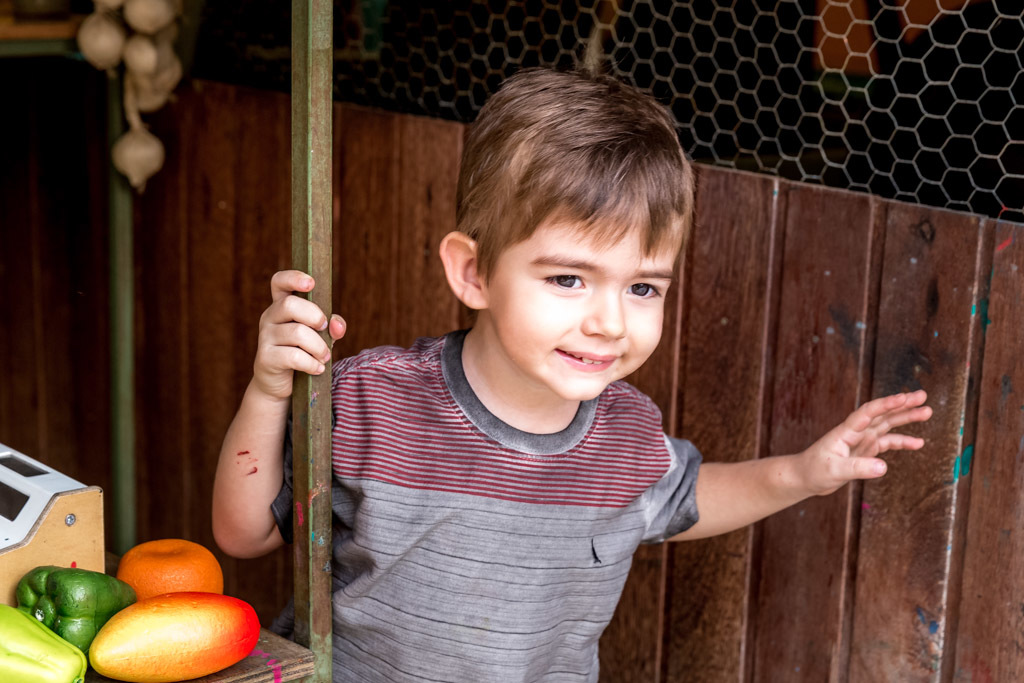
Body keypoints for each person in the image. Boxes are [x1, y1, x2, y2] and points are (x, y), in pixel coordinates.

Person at [212, 67, 932, 682]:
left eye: (643, 288)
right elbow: (244, 533)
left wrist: (805, 471)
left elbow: (687, 496)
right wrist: (270, 388)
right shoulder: (375, 400)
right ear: (473, 271)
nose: (610, 322)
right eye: (568, 278)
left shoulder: (626, 440)